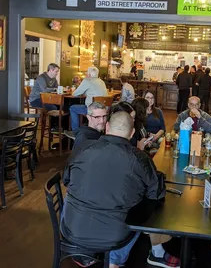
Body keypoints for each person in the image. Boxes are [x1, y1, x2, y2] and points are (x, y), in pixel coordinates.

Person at [61, 112, 165, 268]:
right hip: (114, 236)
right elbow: (155, 193)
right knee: (139, 213)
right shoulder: (139, 158)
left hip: (72, 227)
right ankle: (115, 261)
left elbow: (66, 180)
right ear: (131, 133)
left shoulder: (83, 148)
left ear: (107, 127)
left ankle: (86, 255)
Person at [69, 66, 108, 131]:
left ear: (89, 74)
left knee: (73, 108)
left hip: (93, 110)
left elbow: (75, 94)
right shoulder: (102, 82)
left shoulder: (87, 80)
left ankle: (75, 132)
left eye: (86, 73)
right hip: (103, 110)